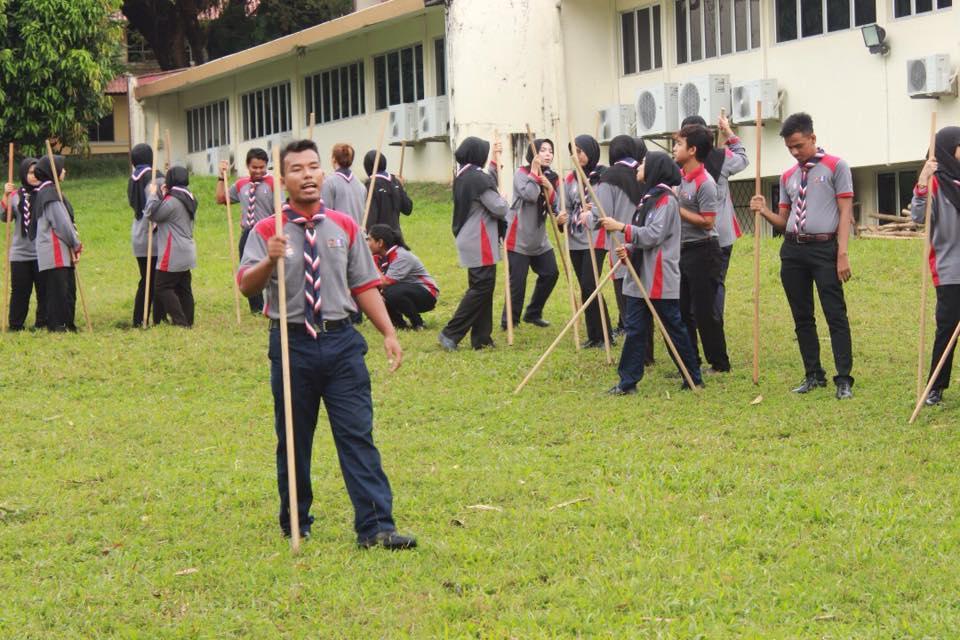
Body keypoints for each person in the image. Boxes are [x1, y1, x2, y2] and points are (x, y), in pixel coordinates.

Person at [237, 139, 416, 549]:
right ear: (284, 180)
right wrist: (269, 259)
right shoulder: (268, 231)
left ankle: (376, 527)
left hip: (341, 343)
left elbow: (364, 284)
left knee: (357, 434)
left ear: (323, 173)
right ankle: (296, 520)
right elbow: (246, 283)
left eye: (313, 167)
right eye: (297, 169)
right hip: (291, 344)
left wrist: (388, 332)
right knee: (295, 439)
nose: (307, 175)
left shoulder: (345, 226)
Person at [750, 112, 855, 399]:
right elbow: (783, 222)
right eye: (790, 148)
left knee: (835, 314)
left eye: (799, 145)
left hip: (825, 249)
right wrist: (764, 211)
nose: (795, 152)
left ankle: (843, 378)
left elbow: (846, 212)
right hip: (793, 250)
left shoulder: (836, 166)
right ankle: (813, 374)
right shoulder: (787, 177)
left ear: (812, 138)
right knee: (802, 316)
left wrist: (842, 253)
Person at [600, 152, 704, 394]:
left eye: (644, 163)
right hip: (638, 277)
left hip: (658, 277)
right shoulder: (647, 198)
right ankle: (627, 383)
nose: (639, 166)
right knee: (635, 329)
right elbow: (642, 237)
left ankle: (692, 376)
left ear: (655, 168)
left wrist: (622, 227)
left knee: (673, 328)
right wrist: (627, 248)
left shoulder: (666, 200)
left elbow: (653, 235)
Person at [438, 136, 510, 351]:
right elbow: (497, 207)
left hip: (470, 237)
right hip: (479, 239)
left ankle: (481, 337)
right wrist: (504, 198)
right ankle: (450, 333)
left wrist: (495, 164)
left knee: (483, 288)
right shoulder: (477, 178)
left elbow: (486, 182)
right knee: (481, 288)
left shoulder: (464, 175)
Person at [674, 124, 731, 374]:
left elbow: (708, 222)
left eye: (678, 144)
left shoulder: (705, 183)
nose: (674, 148)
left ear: (693, 149)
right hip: (682, 250)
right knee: (682, 308)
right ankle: (690, 361)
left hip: (703, 251)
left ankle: (719, 363)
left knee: (704, 310)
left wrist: (678, 211)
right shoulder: (680, 179)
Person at [681, 114, 749, 317]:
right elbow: (743, 159)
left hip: (692, 236)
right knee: (716, 282)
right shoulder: (722, 156)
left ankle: (695, 320)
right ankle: (714, 320)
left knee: (691, 283)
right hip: (722, 234)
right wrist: (729, 132)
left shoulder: (681, 162)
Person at [911, 126, 960, 406]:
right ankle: (935, 387)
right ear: (947, 148)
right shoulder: (937, 184)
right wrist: (922, 182)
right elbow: (918, 217)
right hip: (950, 269)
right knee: (947, 329)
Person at [502, 138, 560, 328]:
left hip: (539, 238)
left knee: (551, 273)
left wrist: (549, 186)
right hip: (519, 237)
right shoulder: (521, 173)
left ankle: (533, 313)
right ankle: (510, 321)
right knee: (517, 283)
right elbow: (530, 195)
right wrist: (535, 173)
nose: (547, 154)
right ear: (533, 154)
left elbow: (556, 204)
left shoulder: (552, 177)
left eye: (550, 150)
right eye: (542, 150)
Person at [593, 135, 646, 336]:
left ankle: (636, 343)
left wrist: (585, 218)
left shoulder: (609, 177)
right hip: (645, 241)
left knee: (627, 299)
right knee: (644, 296)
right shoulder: (643, 172)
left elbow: (601, 215)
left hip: (621, 244)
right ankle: (645, 346)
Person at [565, 134, 611, 348]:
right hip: (575, 238)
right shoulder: (570, 179)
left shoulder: (601, 176)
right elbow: (564, 205)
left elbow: (604, 204)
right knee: (585, 289)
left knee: (590, 284)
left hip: (595, 238)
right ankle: (594, 335)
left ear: (590, 152)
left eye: (580, 151)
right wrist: (561, 215)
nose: (577, 156)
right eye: (573, 151)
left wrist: (592, 208)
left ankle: (605, 334)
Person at [216, 148, 273, 313]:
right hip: (248, 233)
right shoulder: (241, 184)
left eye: (262, 167)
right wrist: (221, 177)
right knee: (248, 269)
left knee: (272, 269)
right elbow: (221, 198)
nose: (259, 171)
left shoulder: (272, 183)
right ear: (248, 166)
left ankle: (274, 302)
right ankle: (256, 308)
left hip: (268, 234)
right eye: (255, 167)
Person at [31, 154, 81, 332]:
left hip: (58, 250)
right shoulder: (50, 194)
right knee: (58, 291)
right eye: (62, 168)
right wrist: (76, 244)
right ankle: (58, 325)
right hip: (55, 250)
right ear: (53, 171)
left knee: (66, 290)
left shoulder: (48, 191)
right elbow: (62, 224)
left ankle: (67, 323)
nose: (65, 171)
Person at [146, 167, 197, 327]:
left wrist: (153, 194)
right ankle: (188, 320)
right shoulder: (189, 197)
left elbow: (151, 214)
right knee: (183, 287)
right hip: (187, 249)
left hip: (173, 250)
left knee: (162, 287)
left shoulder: (172, 201)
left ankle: (181, 321)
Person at [367, 223, 438, 330]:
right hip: (402, 291)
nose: (367, 243)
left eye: (369, 239)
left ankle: (418, 323)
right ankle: (399, 325)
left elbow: (384, 282)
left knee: (390, 292)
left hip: (427, 294)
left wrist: (369, 260)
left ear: (380, 242)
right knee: (371, 293)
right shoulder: (378, 257)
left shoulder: (401, 256)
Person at [2, 158, 45, 330]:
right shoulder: (15, 196)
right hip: (20, 253)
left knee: (44, 291)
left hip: (42, 252)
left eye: (36, 172)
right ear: (23, 174)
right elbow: (5, 217)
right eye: (29, 172)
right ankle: (15, 325)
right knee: (20, 291)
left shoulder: (46, 193)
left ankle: (42, 323)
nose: (33, 176)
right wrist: (5, 195)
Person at [128, 143, 165, 326]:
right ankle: (152, 318)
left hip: (138, 234)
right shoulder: (154, 177)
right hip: (153, 235)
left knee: (147, 279)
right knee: (156, 280)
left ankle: (141, 318)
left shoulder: (133, 178)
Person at [362, 151, 412, 233]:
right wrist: (401, 187)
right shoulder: (395, 181)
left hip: (380, 240)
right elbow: (408, 209)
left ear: (367, 166)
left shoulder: (371, 184)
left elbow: (371, 217)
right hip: (396, 237)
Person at [321, 143, 367, 225]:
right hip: (357, 235)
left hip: (337, 235)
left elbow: (324, 214)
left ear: (333, 159)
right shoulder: (361, 186)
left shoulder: (329, 182)